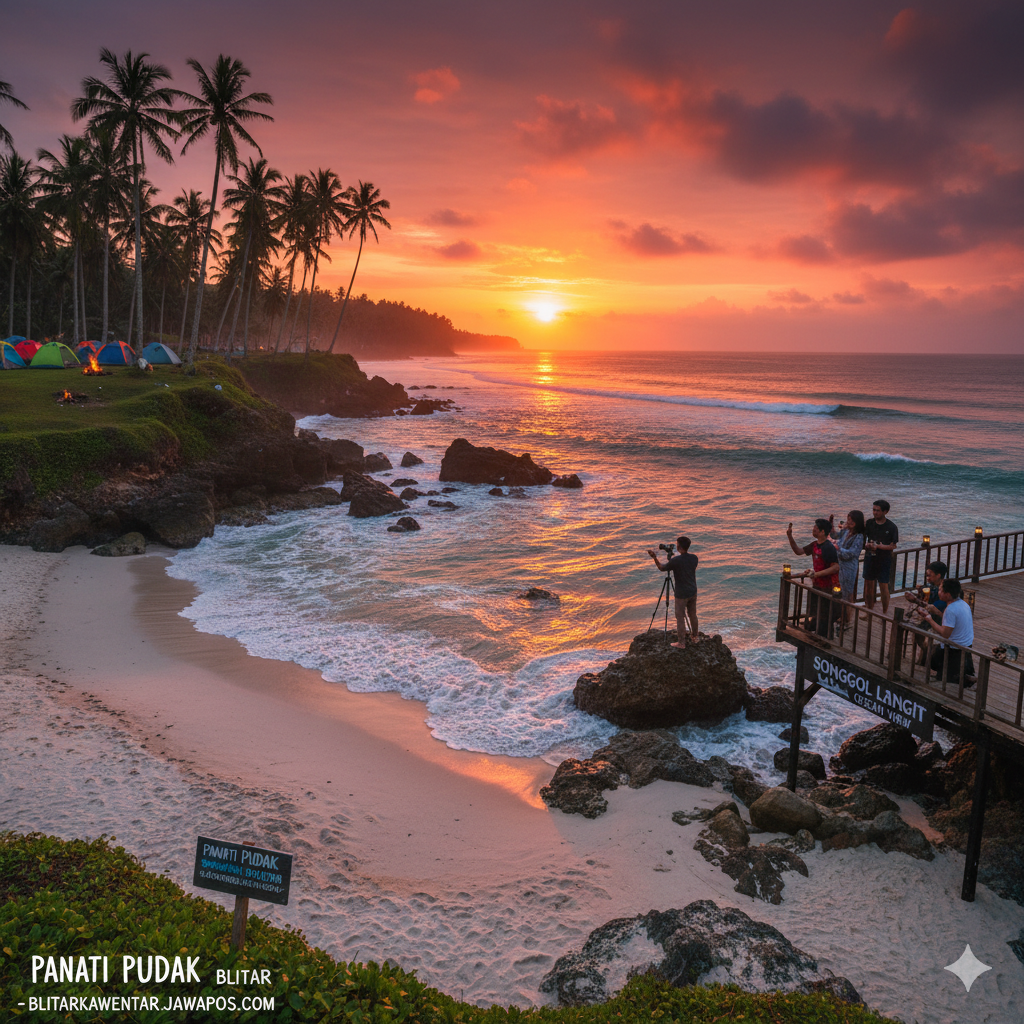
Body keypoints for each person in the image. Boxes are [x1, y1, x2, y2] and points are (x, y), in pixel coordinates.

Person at [786, 519, 840, 636]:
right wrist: (790, 536)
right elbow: (798, 551)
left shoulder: (828, 547)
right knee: (816, 613)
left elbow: (835, 567)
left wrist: (816, 574)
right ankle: (818, 634)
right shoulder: (814, 545)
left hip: (827, 587)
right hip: (817, 585)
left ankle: (826, 640)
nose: (813, 529)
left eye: (815, 528)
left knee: (825, 616)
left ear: (822, 532)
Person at [922, 578, 976, 686]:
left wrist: (929, 619)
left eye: (941, 590)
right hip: (966, 645)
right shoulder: (962, 603)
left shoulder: (950, 609)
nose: (939, 592)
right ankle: (960, 674)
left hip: (954, 648)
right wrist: (937, 612)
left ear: (947, 594)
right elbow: (951, 623)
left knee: (931, 658)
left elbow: (945, 634)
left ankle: (962, 677)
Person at [648, 536, 698, 648]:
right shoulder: (694, 558)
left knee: (680, 616)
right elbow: (684, 565)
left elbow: (662, 568)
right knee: (692, 614)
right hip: (693, 591)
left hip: (681, 593)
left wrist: (654, 558)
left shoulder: (676, 561)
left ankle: (681, 643)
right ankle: (695, 637)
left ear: (679, 546)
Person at [904, 560, 948, 665]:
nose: (927, 578)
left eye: (930, 575)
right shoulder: (931, 586)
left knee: (918, 631)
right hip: (930, 615)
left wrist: (915, 600)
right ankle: (923, 655)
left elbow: (933, 608)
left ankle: (925, 655)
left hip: (940, 618)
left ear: (938, 575)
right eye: (927, 575)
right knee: (916, 631)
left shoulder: (944, 590)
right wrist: (919, 593)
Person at [863, 500, 898, 613]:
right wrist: (867, 545)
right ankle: (869, 610)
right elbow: (862, 540)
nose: (875, 513)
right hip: (870, 558)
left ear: (885, 511)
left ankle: (885, 612)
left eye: (877, 510)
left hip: (884, 560)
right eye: (874, 510)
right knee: (868, 586)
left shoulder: (891, 527)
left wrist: (880, 547)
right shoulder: (869, 523)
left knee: (883, 586)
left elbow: (893, 546)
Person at [832, 510, 865, 622]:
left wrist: (838, 549)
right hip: (840, 564)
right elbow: (836, 537)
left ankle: (847, 618)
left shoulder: (859, 536)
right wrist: (831, 525)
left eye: (850, 520)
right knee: (840, 590)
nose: (848, 522)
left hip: (849, 567)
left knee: (847, 592)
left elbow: (853, 553)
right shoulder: (847, 531)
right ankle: (841, 615)